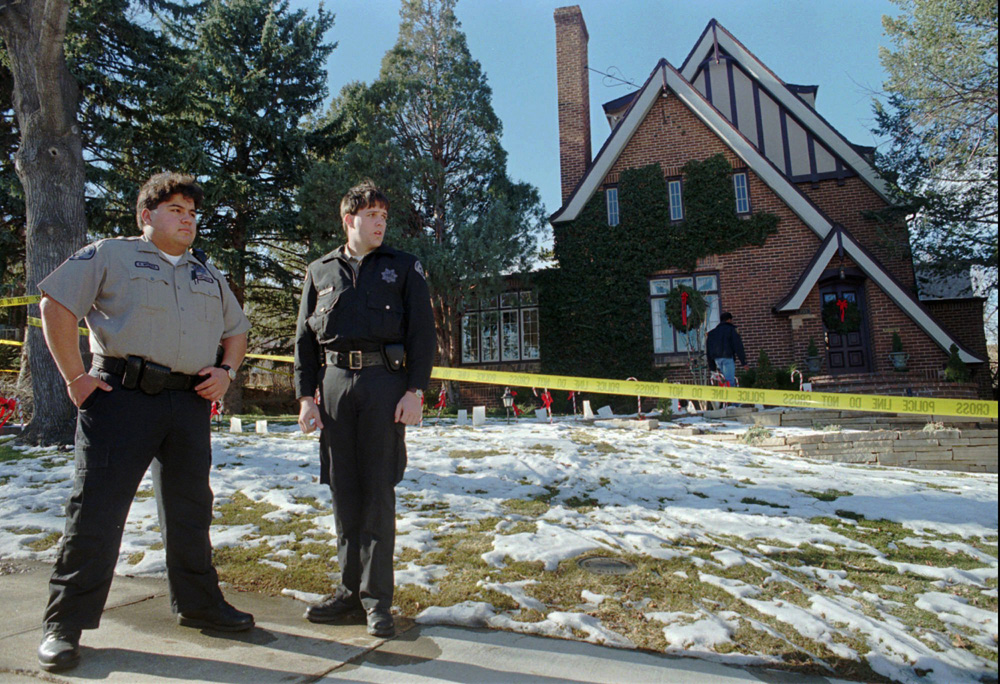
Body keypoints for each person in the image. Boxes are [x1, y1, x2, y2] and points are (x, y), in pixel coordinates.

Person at [36, 172, 253, 673]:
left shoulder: (206, 274)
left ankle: (199, 604)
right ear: (146, 216)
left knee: (191, 510)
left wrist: (227, 371)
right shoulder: (109, 254)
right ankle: (64, 624)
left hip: (188, 405)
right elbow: (56, 305)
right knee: (96, 510)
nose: (187, 219)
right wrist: (75, 378)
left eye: (193, 212)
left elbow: (236, 331)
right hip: (120, 399)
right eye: (176, 209)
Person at [294, 180, 435, 637]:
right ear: (349, 219)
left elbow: (422, 336)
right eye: (372, 215)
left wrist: (414, 391)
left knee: (377, 493)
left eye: (384, 217)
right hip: (334, 387)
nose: (380, 223)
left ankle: (377, 602)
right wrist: (305, 397)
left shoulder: (404, 268)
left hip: (382, 385)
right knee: (343, 492)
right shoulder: (319, 272)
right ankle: (347, 593)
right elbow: (304, 344)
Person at [706, 312, 747, 387]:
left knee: (723, 382)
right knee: (729, 381)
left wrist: (712, 367)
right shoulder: (732, 330)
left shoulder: (712, 333)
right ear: (729, 320)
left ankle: (723, 397)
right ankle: (730, 397)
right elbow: (738, 346)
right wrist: (743, 362)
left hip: (717, 360)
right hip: (727, 357)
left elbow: (708, 351)